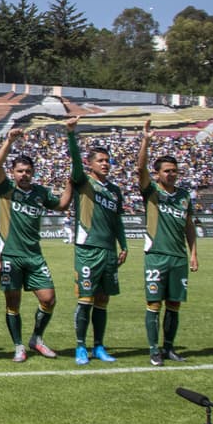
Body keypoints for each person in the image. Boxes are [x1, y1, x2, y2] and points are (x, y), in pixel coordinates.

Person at [0, 127, 70, 362]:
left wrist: (71, 183)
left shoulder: (40, 193)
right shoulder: (6, 190)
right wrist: (9, 140)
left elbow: (62, 205)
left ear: (33, 172)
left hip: (35, 256)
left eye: (27, 171)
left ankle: (36, 338)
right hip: (10, 256)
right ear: (13, 173)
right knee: (13, 304)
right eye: (20, 171)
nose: (24, 174)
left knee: (48, 299)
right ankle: (18, 345)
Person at [135, 120, 199, 366]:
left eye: (174, 170)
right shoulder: (151, 192)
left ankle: (169, 347)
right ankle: (153, 350)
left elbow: (189, 226)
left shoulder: (184, 196)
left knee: (174, 304)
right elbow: (140, 170)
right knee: (154, 303)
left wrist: (193, 253)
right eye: (166, 170)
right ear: (158, 173)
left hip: (178, 257)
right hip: (156, 255)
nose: (171, 174)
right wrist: (146, 141)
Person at [65, 117, 127, 366]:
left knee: (103, 299)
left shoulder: (114, 190)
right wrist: (71, 134)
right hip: (87, 249)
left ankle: (99, 345)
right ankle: (81, 347)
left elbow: (118, 221)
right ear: (90, 164)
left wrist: (124, 244)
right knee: (86, 298)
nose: (104, 164)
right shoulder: (83, 181)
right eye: (99, 160)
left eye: (106, 161)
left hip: (109, 250)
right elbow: (75, 163)